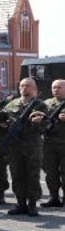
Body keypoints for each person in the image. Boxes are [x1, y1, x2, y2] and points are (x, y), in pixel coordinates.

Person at [1, 77, 49, 217]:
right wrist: (4, 125)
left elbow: (45, 124)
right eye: (22, 86)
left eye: (28, 86)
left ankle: (32, 204)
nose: (24, 88)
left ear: (34, 89)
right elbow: (2, 118)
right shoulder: (12, 104)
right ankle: (20, 203)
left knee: (32, 175)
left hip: (32, 145)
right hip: (15, 147)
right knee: (17, 175)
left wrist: (38, 122)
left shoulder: (40, 104)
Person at [41, 79, 65, 208]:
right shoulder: (46, 103)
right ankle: (53, 197)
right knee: (50, 173)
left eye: (59, 87)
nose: (56, 89)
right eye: (54, 87)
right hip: (49, 144)